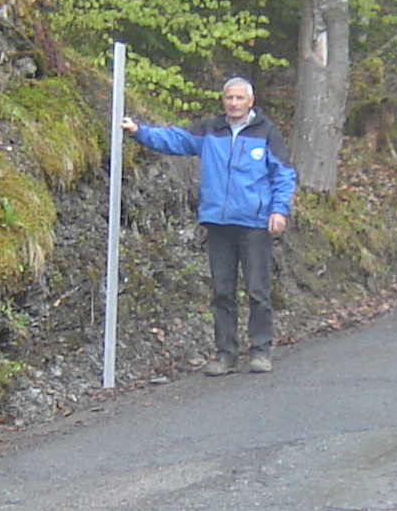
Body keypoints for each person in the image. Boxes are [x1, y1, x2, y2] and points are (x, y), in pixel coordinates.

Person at [122, 76, 297, 375]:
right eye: (229, 98)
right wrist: (139, 132)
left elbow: (284, 174)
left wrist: (279, 210)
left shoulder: (266, 132)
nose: (233, 103)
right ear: (223, 100)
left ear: (250, 101)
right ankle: (226, 354)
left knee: (257, 290)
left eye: (239, 98)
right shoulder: (209, 130)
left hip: (254, 223)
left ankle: (260, 351)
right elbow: (175, 140)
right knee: (222, 291)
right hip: (218, 222)